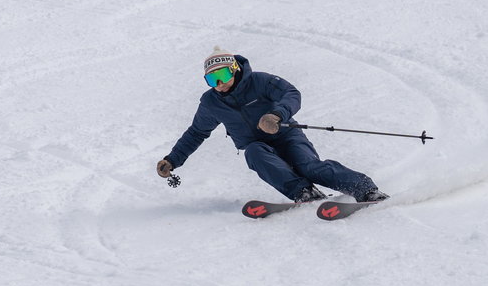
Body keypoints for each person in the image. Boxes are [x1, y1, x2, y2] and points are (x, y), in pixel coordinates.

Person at [156, 49, 389, 203]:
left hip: (286, 135)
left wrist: (276, 115)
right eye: (211, 79)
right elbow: (197, 132)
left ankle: (365, 189)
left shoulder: (260, 81)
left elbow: (291, 93)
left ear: (234, 69)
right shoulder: (211, 102)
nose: (219, 84)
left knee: (309, 167)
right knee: (254, 153)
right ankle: (304, 192)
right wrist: (173, 160)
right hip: (257, 145)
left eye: (223, 74)